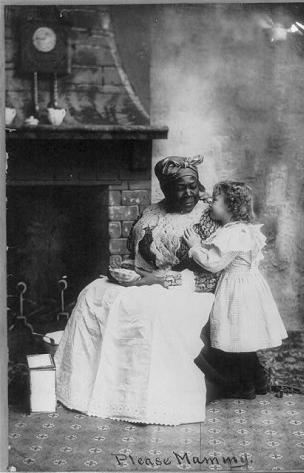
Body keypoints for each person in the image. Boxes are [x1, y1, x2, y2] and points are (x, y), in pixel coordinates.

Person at [55, 155, 220, 426]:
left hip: (189, 284)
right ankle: (97, 386)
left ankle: (147, 398)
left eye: (193, 185)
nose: (189, 192)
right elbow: (137, 252)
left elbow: (211, 265)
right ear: (166, 188)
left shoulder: (206, 216)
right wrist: (131, 270)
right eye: (180, 187)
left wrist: (160, 279)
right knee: (93, 294)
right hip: (150, 277)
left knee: (152, 309)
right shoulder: (152, 213)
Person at [184, 181, 288, 399]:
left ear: (230, 207)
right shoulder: (243, 230)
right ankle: (258, 380)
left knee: (237, 338)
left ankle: (245, 386)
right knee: (243, 337)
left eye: (215, 201)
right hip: (249, 285)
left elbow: (214, 263)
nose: (211, 204)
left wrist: (194, 247)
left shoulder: (234, 233)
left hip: (237, 289)